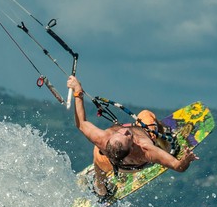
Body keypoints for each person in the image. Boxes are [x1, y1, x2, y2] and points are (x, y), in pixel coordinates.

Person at [67, 75, 198, 198]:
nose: (124, 131)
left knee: (97, 153)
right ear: (132, 144)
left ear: (109, 141)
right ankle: (167, 146)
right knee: (146, 114)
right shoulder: (145, 149)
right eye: (127, 135)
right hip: (138, 164)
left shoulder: (102, 140)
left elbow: (81, 123)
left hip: (113, 163)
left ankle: (101, 188)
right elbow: (178, 167)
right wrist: (186, 160)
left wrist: (77, 92)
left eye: (120, 133)